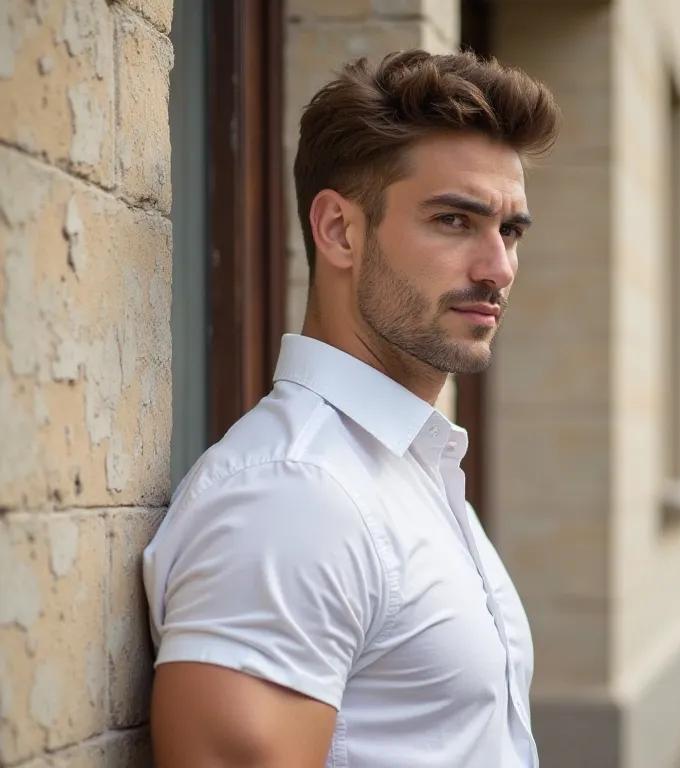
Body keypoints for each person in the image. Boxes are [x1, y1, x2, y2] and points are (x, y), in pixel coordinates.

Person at [143, 49, 561, 767]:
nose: (498, 269)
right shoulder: (294, 494)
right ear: (339, 230)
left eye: (510, 230)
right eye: (456, 221)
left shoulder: (407, 467)